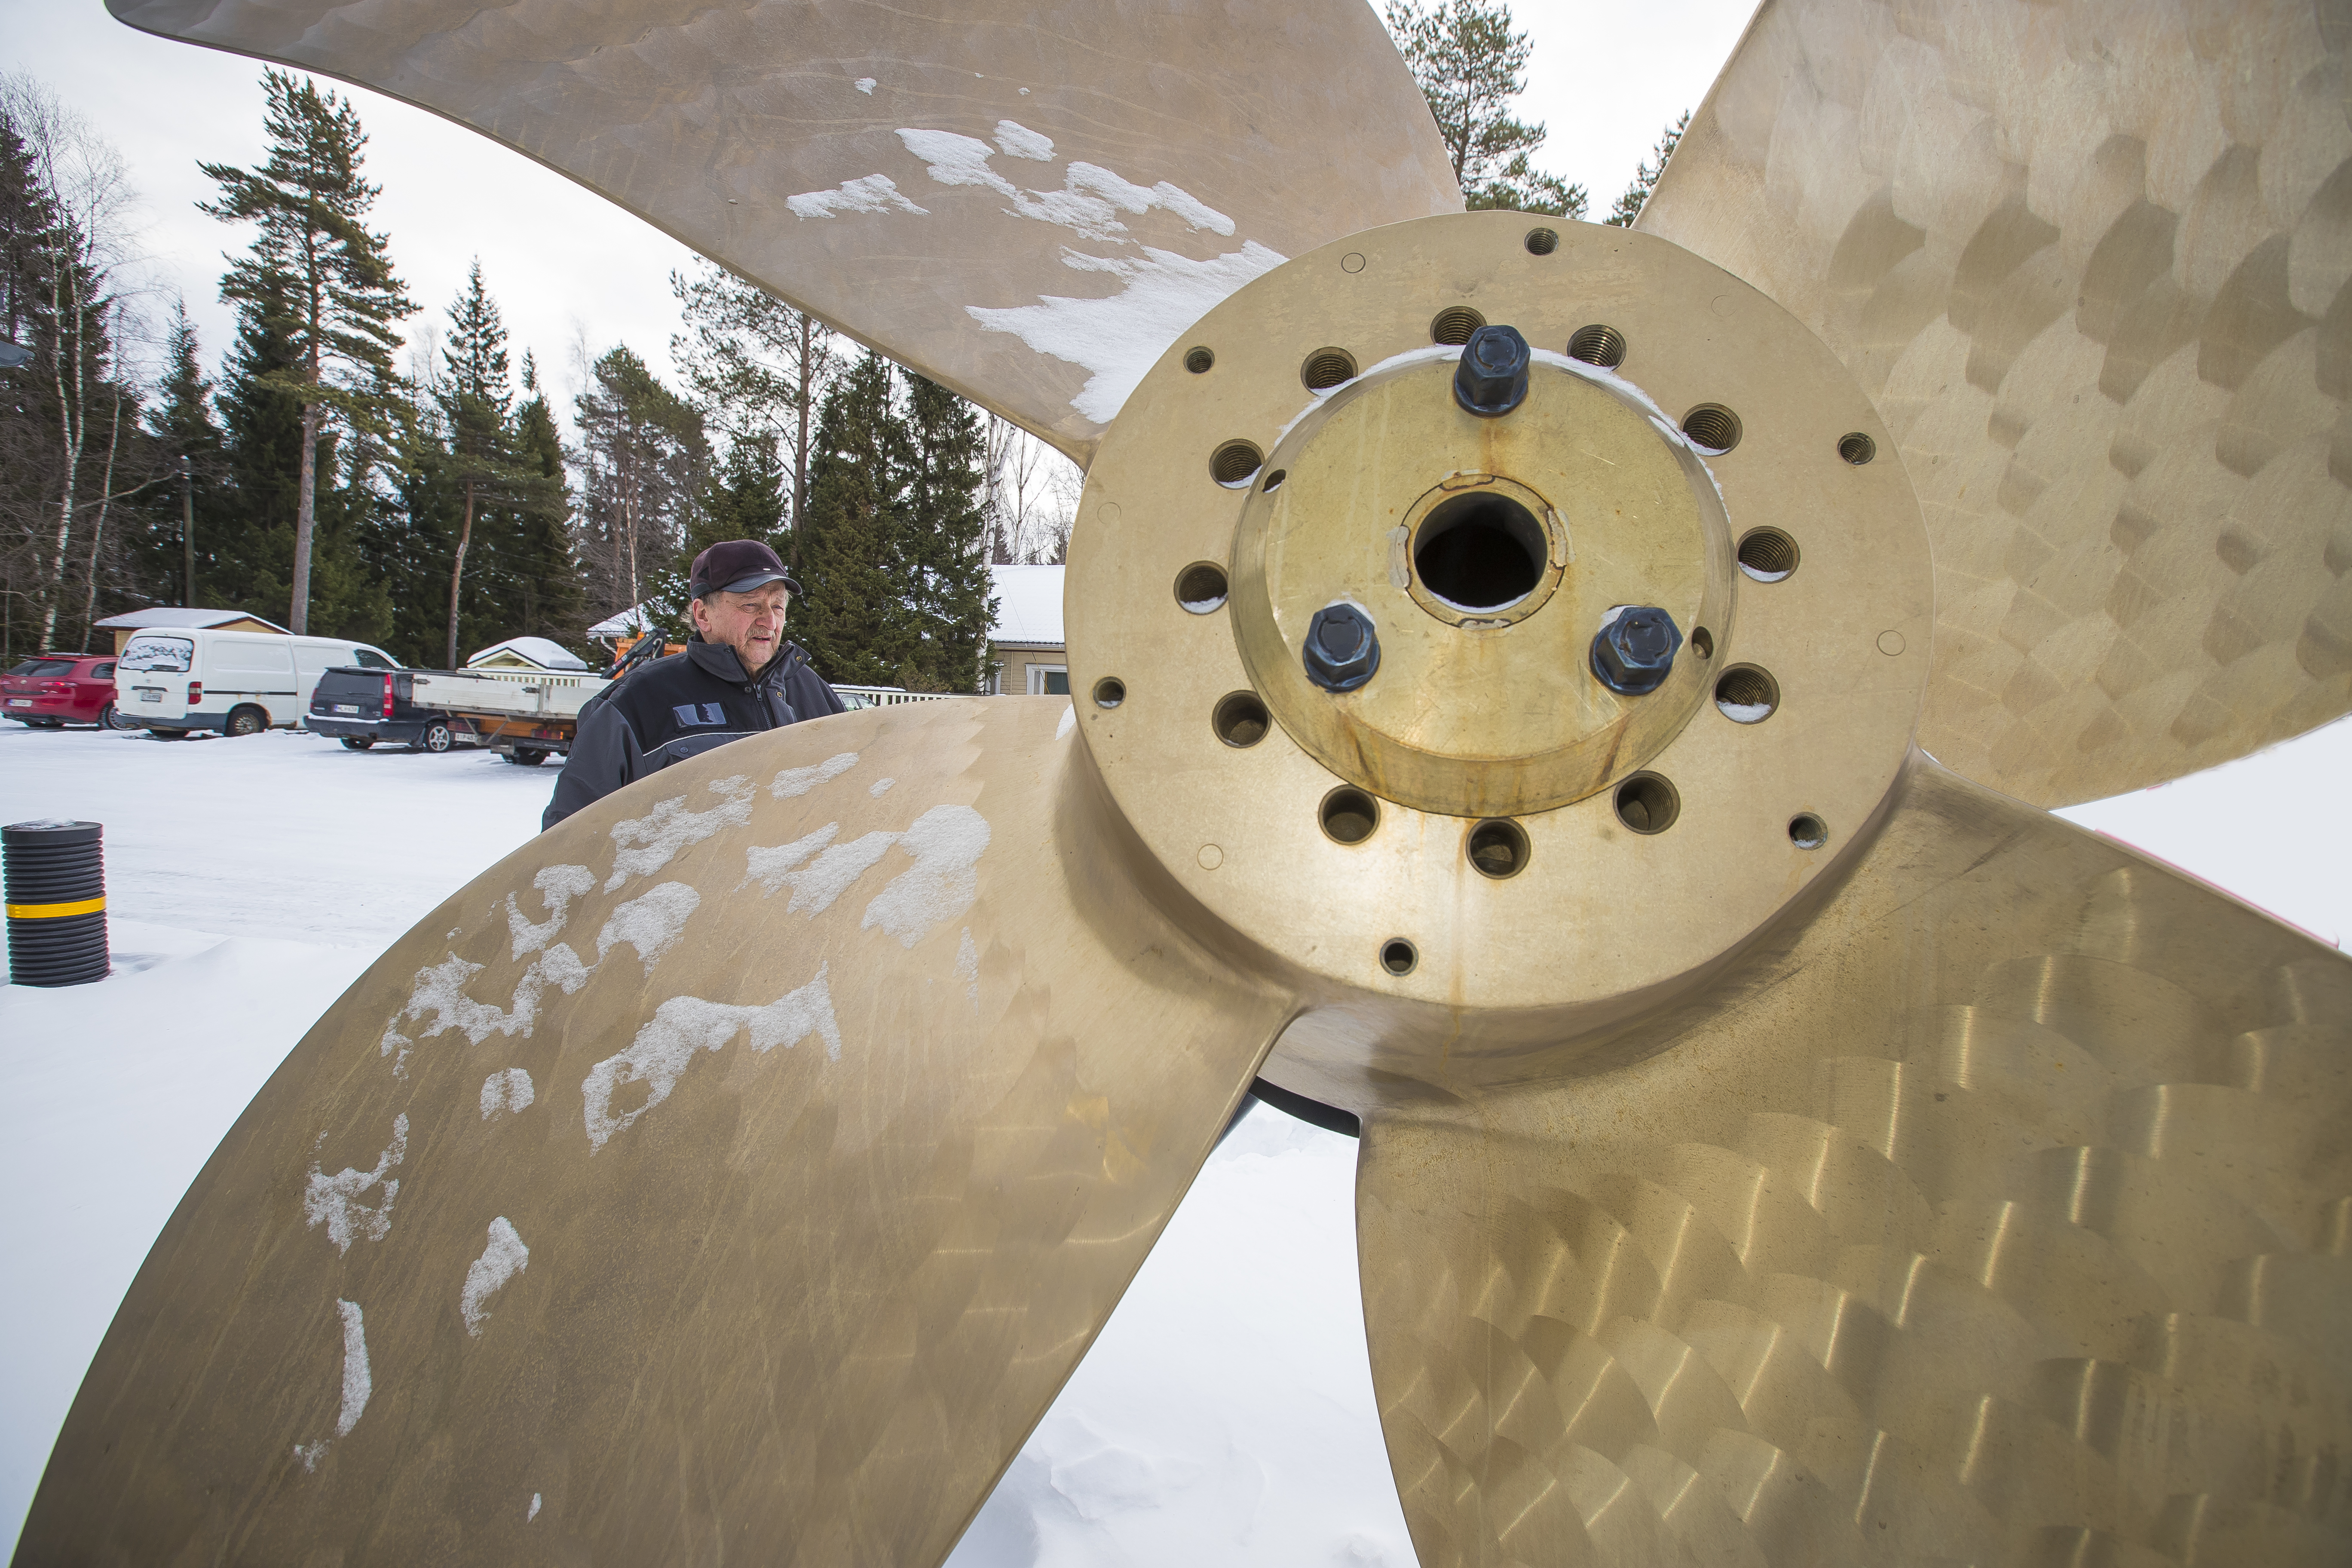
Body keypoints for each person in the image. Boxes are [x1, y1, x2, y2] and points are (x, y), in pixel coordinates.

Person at [543, 539, 846, 829]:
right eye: (751, 605)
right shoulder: (635, 702)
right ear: (703, 614)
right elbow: (569, 840)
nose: (770, 621)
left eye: (778, 606)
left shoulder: (813, 691)